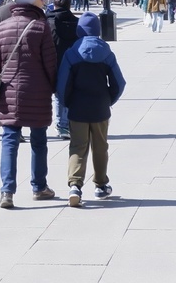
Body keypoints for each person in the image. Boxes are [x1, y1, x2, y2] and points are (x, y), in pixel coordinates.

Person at [0, 0, 58, 209]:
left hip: (9, 90)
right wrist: (53, 86)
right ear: (30, 0)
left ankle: (6, 191)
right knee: (39, 141)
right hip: (37, 90)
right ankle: (39, 187)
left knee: (9, 140)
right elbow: (50, 62)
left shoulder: (3, 26)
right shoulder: (40, 26)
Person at [56, 12, 127, 207]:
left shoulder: (72, 53)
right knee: (100, 146)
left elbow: (62, 85)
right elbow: (119, 83)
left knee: (78, 146)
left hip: (77, 108)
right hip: (100, 107)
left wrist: (67, 103)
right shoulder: (106, 53)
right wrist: (109, 100)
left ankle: (75, 186)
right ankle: (101, 185)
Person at [50, 0, 80, 140]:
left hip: (50, 62)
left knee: (54, 94)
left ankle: (57, 124)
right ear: (69, 6)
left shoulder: (48, 21)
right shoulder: (76, 23)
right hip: (70, 63)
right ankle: (64, 124)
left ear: (54, 5)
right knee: (65, 93)